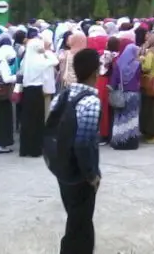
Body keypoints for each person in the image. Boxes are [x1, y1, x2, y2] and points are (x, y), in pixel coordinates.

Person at [56, 48, 101, 254]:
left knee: (77, 218)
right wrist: (91, 175)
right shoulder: (91, 102)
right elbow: (84, 144)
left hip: (64, 169)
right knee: (80, 223)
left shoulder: (62, 96)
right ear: (95, 72)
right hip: (81, 175)